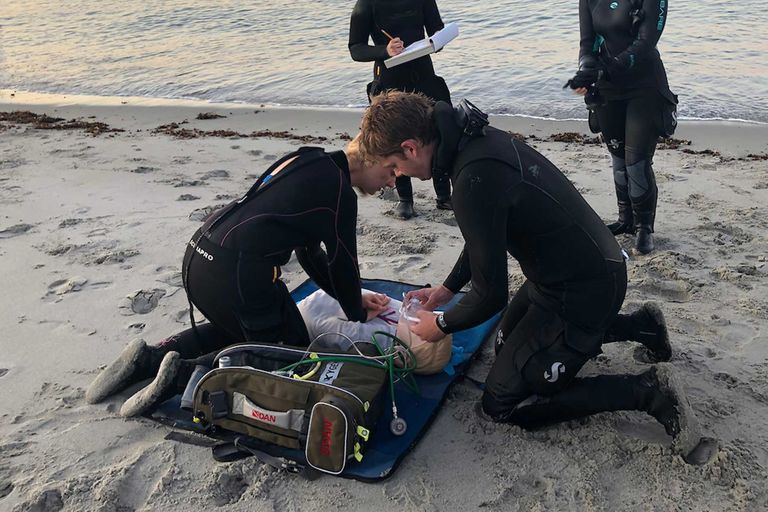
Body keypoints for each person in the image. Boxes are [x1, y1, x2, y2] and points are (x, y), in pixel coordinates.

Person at [357, 90, 718, 465]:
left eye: (395, 167)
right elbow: (486, 237)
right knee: (504, 346)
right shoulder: (468, 140)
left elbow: (490, 295)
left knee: (500, 403)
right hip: (566, 274)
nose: (398, 176)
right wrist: (447, 289)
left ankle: (649, 392)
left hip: (583, 289)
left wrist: (441, 325)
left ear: (411, 147)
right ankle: (641, 327)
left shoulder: (470, 177)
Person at [86, 138, 396, 416]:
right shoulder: (341, 193)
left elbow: (309, 254)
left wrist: (352, 300)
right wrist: (357, 312)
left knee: (243, 332)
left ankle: (147, 359)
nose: (393, 182)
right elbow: (343, 263)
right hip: (238, 275)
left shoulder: (308, 158)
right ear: (371, 155)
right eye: (392, 169)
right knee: (290, 359)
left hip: (201, 257)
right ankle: (183, 374)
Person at [565, 0, 677, 254]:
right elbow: (587, 43)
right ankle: (626, 220)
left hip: (645, 87)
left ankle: (644, 227)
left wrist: (606, 70)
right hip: (607, 90)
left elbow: (646, 44)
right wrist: (586, 70)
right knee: (618, 160)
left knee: (636, 163)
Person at [349, 0, 453, 219]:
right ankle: (405, 199)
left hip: (424, 74)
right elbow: (356, 48)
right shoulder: (366, 5)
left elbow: (437, 32)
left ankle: (444, 196)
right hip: (389, 78)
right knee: (393, 137)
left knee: (439, 132)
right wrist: (384, 50)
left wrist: (437, 41)